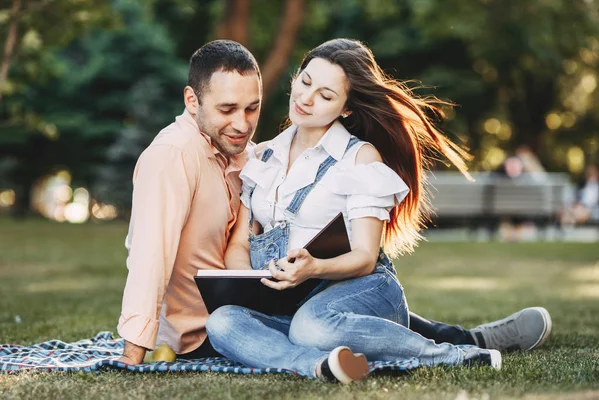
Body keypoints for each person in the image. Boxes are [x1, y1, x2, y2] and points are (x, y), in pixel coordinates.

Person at [116, 40, 551, 374]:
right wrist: (243, 282)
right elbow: (231, 237)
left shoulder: (356, 160)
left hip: (352, 288)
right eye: (305, 83)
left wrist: (312, 269)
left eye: (326, 96)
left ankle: (456, 353)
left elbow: (364, 258)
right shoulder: (257, 157)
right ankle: (320, 367)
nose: (306, 100)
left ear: (345, 109)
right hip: (288, 300)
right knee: (224, 323)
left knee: (313, 325)